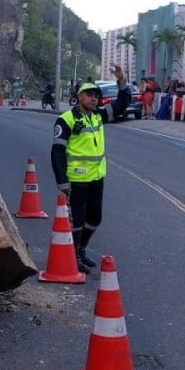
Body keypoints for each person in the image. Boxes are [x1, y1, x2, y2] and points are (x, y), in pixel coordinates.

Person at [51, 64, 124, 273]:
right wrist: (63, 183)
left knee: (95, 218)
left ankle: (81, 249)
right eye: (89, 95)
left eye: (96, 96)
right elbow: (57, 152)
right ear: (80, 97)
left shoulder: (98, 116)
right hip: (77, 180)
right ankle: (73, 255)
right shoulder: (66, 119)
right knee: (78, 221)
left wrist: (121, 81)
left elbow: (121, 105)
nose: (94, 98)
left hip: (97, 177)